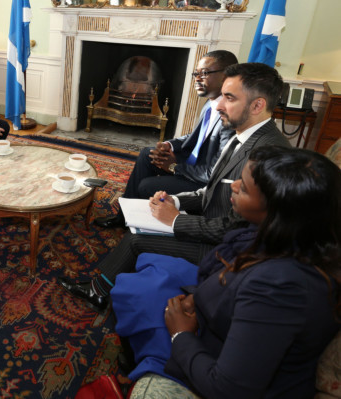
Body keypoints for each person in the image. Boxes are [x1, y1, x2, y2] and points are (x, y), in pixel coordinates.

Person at [59, 63, 291, 312]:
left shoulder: (267, 155)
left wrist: (176, 221)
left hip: (226, 250)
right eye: (222, 95)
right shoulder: (242, 135)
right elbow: (212, 190)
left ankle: (97, 292)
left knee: (136, 240)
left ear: (257, 105)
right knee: (144, 213)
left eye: (229, 98)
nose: (219, 104)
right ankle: (103, 284)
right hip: (215, 226)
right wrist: (176, 201)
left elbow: (238, 230)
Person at [114, 146, 340, 398]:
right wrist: (197, 297)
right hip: (221, 323)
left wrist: (180, 334)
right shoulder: (290, 239)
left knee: (140, 294)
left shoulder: (281, 290)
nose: (233, 186)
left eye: (243, 187)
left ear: (277, 212)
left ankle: (144, 366)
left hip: (218, 363)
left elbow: (228, 388)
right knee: (148, 267)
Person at [95, 50, 238, 229]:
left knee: (146, 186)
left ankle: (146, 224)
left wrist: (173, 167)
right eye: (196, 73)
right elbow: (195, 137)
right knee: (148, 153)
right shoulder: (211, 104)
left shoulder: (231, 117)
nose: (197, 78)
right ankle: (123, 216)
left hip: (201, 182)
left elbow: (213, 174)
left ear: (227, 74)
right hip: (193, 165)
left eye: (204, 73)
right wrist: (168, 145)